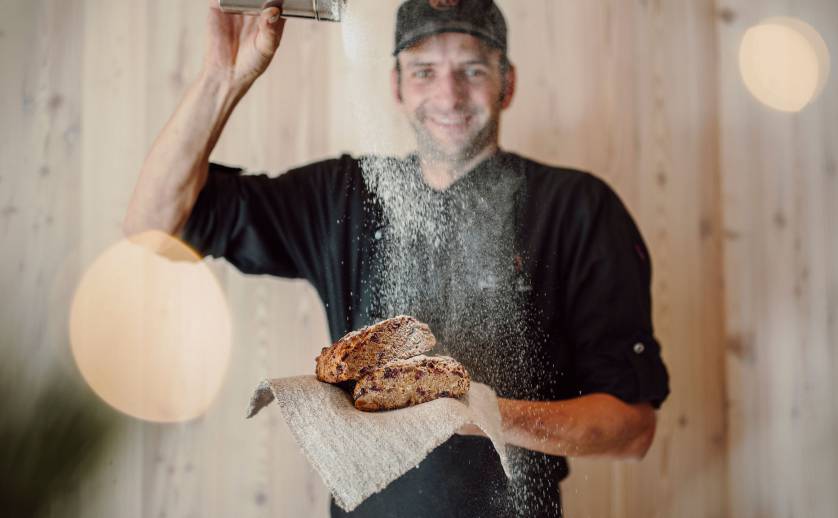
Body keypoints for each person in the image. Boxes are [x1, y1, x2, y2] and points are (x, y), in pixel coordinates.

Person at [123, 0, 671, 516]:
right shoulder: (346, 195)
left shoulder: (576, 209)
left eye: (473, 70)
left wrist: (470, 410)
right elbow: (153, 228)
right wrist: (223, 76)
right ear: (397, 86)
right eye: (424, 71)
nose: (449, 94)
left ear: (507, 83)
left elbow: (631, 428)